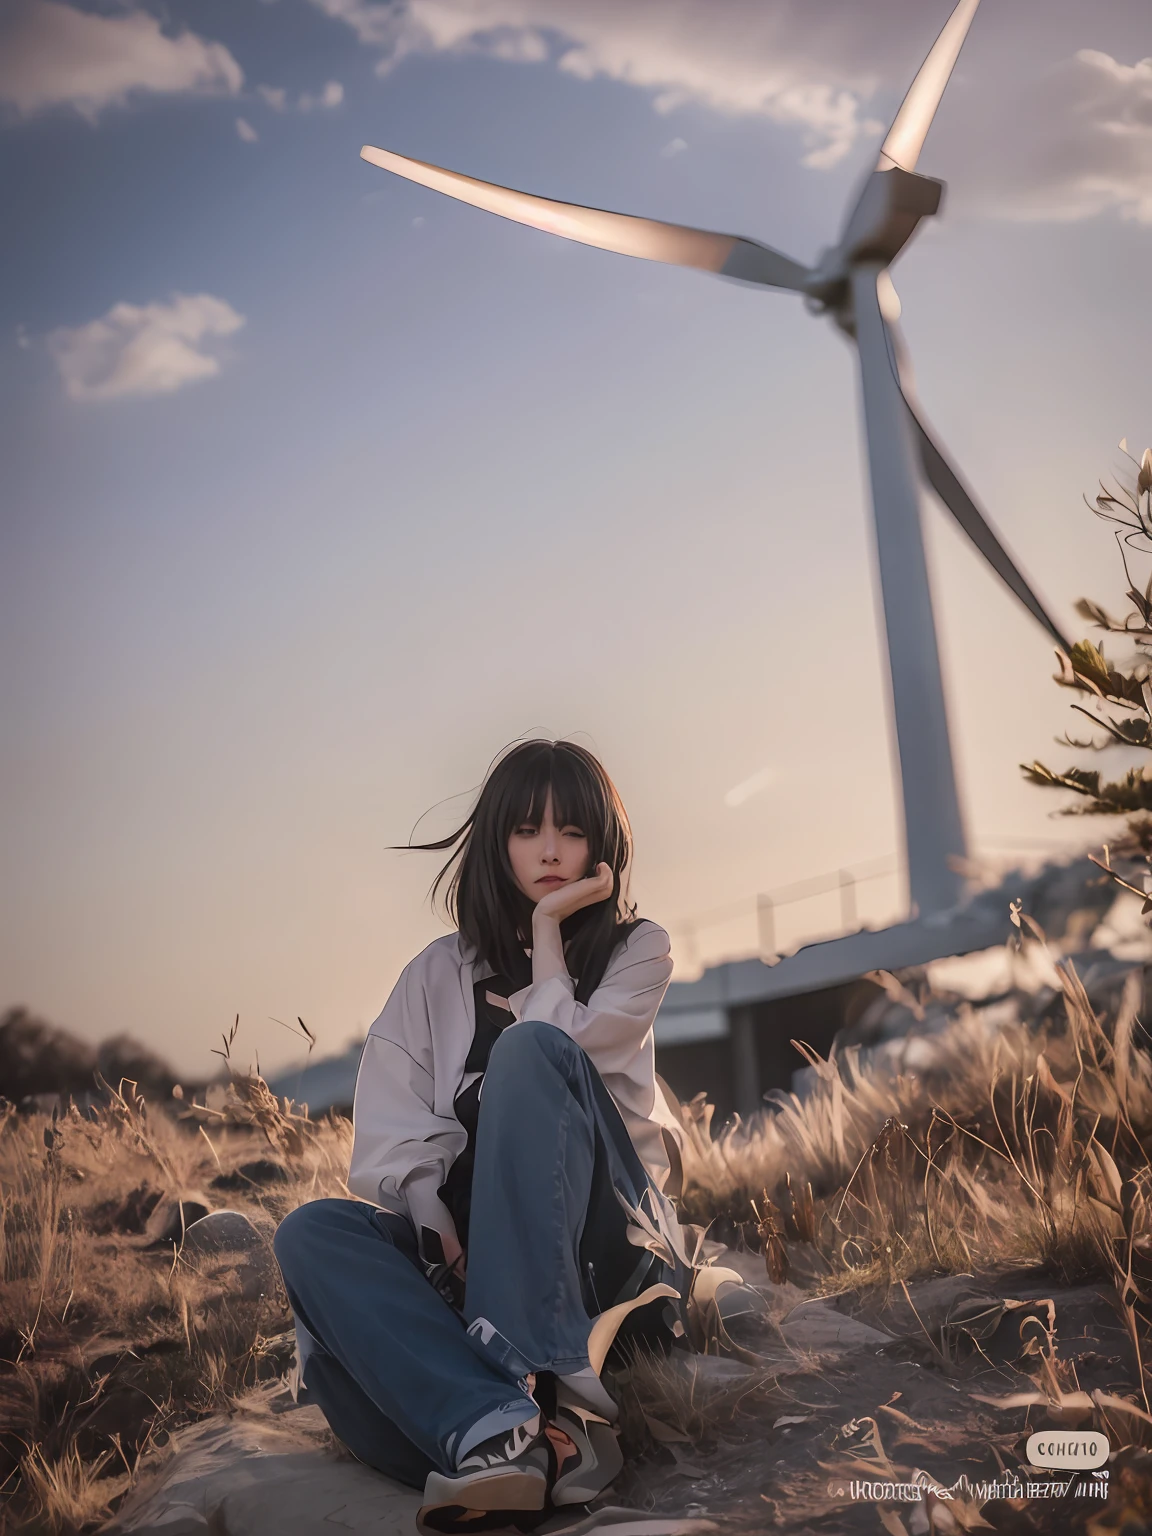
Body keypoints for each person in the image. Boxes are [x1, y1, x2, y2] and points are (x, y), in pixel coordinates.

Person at [273, 739, 691, 1535]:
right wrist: (433, 1220)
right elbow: (394, 1138)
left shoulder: (638, 951)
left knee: (530, 1051)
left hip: (608, 1251)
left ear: (601, 845)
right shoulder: (435, 975)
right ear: (496, 842)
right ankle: (504, 1432)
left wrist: (545, 932)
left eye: (571, 831)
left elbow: (564, 1051)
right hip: (473, 1267)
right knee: (311, 1232)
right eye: (527, 831)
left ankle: (555, 1390)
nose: (551, 851)